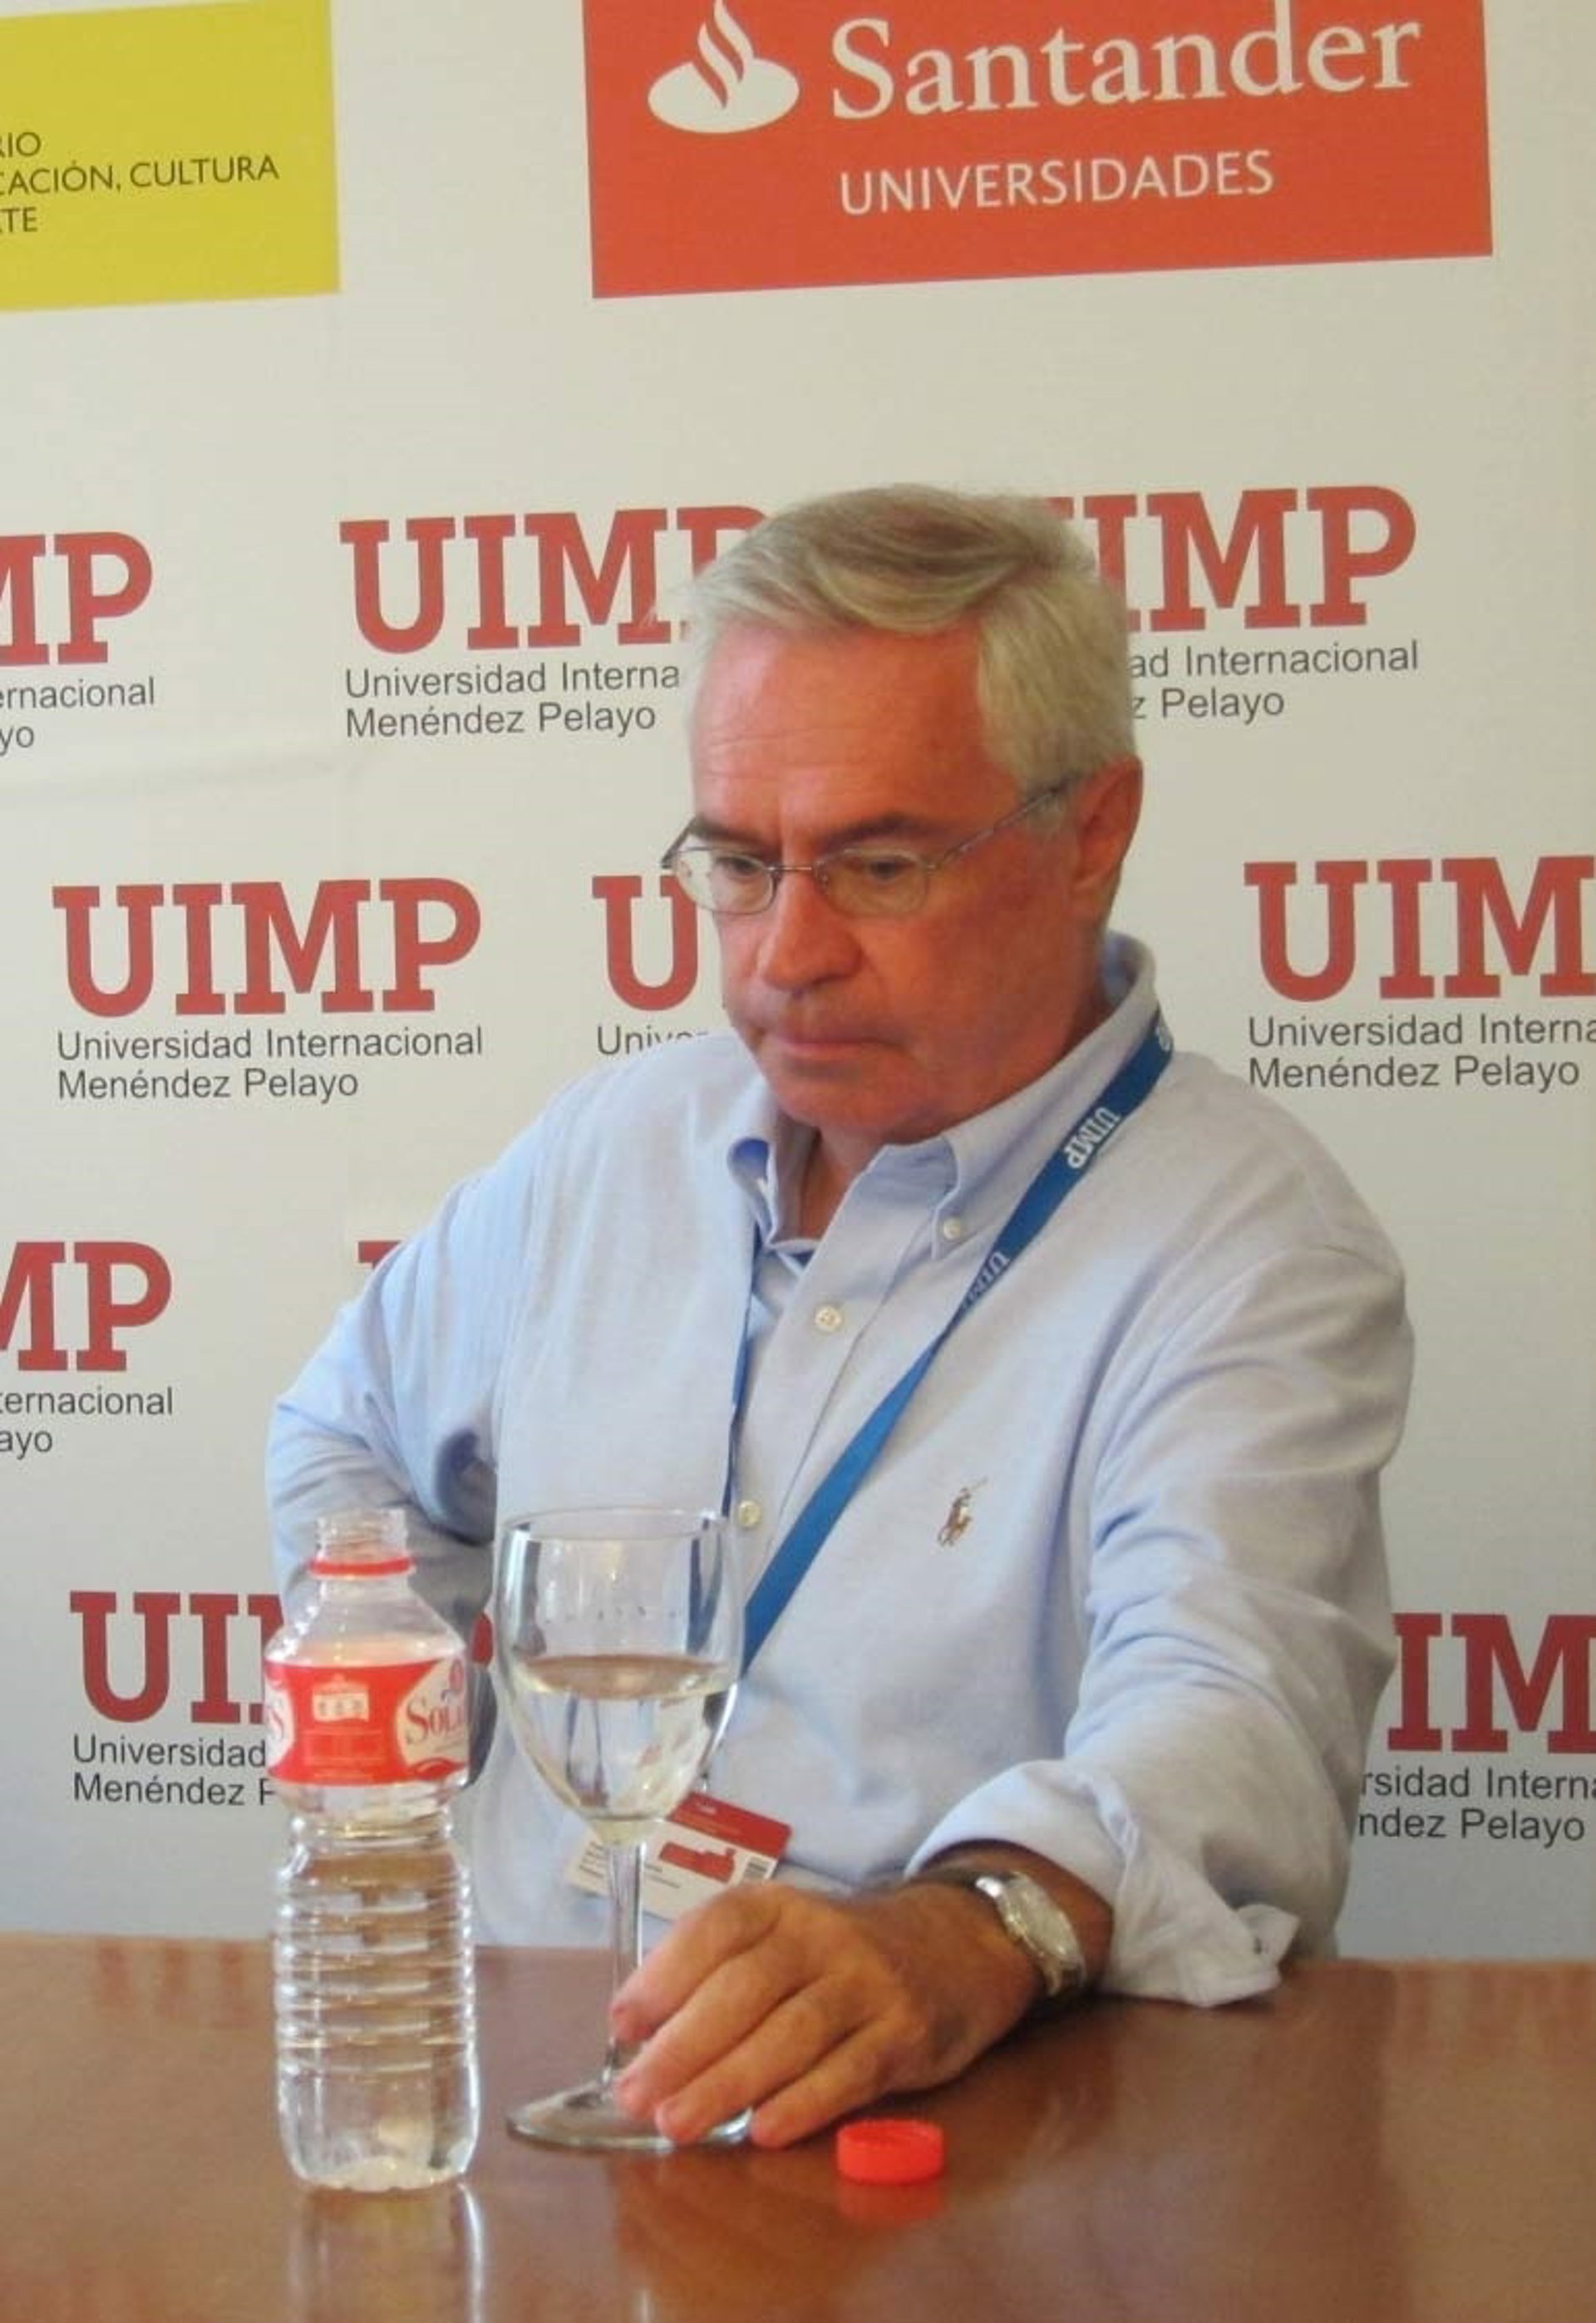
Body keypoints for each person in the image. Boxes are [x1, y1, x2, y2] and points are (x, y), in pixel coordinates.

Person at [268, 484, 1411, 2150]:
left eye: (880, 865)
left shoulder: (1250, 1243)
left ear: (1093, 829)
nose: (785, 954)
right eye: (740, 864)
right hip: (503, 2098)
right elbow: (346, 1440)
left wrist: (967, 1928)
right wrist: (435, 1762)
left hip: (931, 2142)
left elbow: (1232, 1710)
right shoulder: (611, 1147)